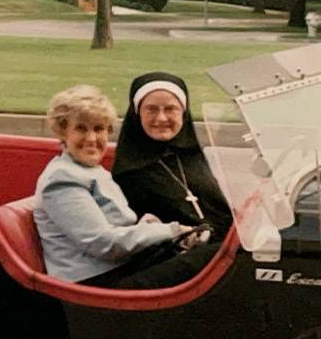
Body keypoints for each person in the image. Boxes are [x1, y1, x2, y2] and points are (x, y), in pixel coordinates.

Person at [34, 85, 218, 289]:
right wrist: (171, 230)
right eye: (81, 128)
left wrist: (147, 226)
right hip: (96, 283)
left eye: (99, 129)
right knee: (219, 257)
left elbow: (113, 230)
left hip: (121, 268)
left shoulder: (91, 171)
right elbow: (103, 243)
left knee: (219, 253)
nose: (92, 139)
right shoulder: (62, 179)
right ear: (62, 132)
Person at [112, 72, 233, 231]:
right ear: (137, 114)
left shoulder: (195, 159)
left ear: (183, 113)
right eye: (151, 109)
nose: (161, 118)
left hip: (220, 247)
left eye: (170, 109)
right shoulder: (128, 173)